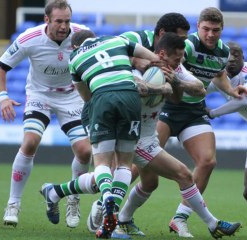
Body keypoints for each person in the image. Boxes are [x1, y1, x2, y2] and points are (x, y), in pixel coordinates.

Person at [41, 32, 242, 240]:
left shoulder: (175, 68)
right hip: (125, 128)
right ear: (162, 54)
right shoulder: (136, 66)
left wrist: (177, 83)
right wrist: (163, 87)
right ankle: (115, 223)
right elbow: (137, 87)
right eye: (177, 59)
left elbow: (200, 89)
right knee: (155, 173)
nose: (180, 63)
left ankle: (56, 191)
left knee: (160, 178)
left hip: (146, 136)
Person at [86, 12, 207, 235]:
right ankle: (105, 213)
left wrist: (175, 81)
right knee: (113, 169)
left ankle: (116, 215)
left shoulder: (172, 57)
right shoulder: (135, 38)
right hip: (116, 112)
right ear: (162, 35)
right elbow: (111, 57)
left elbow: (198, 89)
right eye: (180, 37)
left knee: (149, 182)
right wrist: (141, 65)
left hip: (144, 123)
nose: (185, 44)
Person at [40, 29, 166, 239]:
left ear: (74, 46)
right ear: (95, 37)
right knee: (124, 164)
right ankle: (102, 210)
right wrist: (146, 65)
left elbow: (86, 96)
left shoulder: (75, 59)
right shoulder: (117, 40)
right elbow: (152, 58)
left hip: (100, 102)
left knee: (103, 165)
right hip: (130, 98)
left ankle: (104, 203)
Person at [0, 0, 92, 228]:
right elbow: (0, 68)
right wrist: (3, 97)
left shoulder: (82, 37)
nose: (64, 26)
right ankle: (13, 203)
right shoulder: (29, 38)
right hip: (40, 96)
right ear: (46, 20)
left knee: (85, 151)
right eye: (58, 21)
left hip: (72, 97)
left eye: (67, 21)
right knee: (30, 143)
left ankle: (73, 200)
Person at [155, 8, 247, 237]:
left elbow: (219, 74)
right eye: (206, 29)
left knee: (207, 161)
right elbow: (172, 64)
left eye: (215, 30)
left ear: (221, 30)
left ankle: (180, 218)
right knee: (142, 161)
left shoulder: (224, 52)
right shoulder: (186, 46)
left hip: (194, 111)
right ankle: (112, 209)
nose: (210, 34)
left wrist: (231, 91)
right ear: (198, 27)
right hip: (168, 106)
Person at [207, 42, 247, 237]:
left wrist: (213, 113)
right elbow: (198, 89)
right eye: (229, 55)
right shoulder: (220, 78)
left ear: (243, 57)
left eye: (237, 55)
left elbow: (244, 99)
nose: (233, 58)